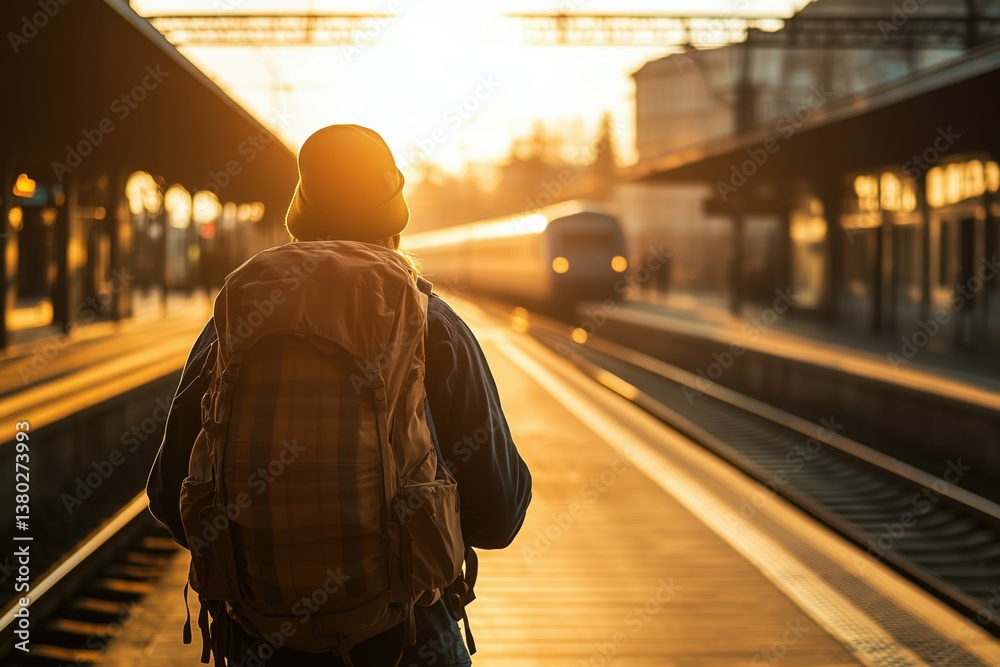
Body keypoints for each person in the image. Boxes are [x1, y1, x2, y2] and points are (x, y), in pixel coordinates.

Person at [146, 124, 532, 666]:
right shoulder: (431, 323)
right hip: (406, 643)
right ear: (394, 226)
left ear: (299, 221)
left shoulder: (234, 321)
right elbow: (499, 515)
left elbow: (168, 496)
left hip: (262, 645)